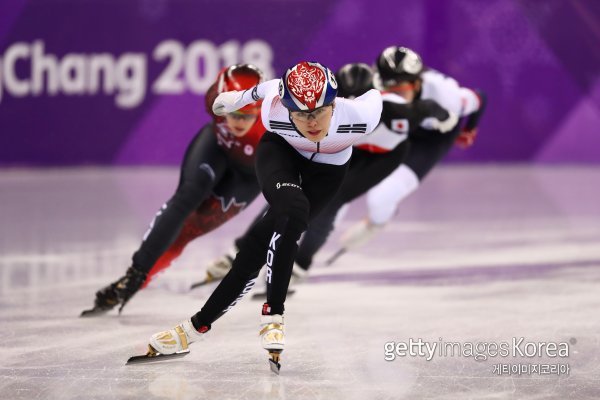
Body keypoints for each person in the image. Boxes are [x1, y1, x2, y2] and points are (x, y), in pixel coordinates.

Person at [141, 61, 382, 373]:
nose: (310, 122)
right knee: (293, 208)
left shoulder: (364, 115)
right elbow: (261, 90)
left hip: (329, 168)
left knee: (257, 245)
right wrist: (237, 99)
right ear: (286, 108)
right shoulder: (273, 109)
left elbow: (395, 104)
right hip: (280, 152)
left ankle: (192, 329)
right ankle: (274, 316)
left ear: (334, 103)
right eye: (300, 113)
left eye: (318, 112)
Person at [198, 58, 461, 290]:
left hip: (384, 156)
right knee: (287, 192)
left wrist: (446, 118)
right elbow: (274, 89)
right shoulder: (324, 102)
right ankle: (241, 249)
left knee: (332, 201)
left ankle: (300, 263)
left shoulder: (388, 107)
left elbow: (426, 107)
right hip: (348, 146)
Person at [81, 64, 266, 316]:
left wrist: (248, 244)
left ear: (259, 110)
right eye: (231, 114)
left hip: (248, 176)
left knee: (187, 232)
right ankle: (134, 276)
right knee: (185, 198)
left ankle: (141, 279)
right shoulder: (213, 98)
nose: (238, 122)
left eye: (247, 116)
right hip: (216, 148)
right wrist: (140, 268)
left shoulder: (273, 125)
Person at [336, 46, 486, 260]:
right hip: (404, 130)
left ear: (417, 84)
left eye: (398, 90)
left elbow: (480, 98)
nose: (392, 96)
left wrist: (469, 129)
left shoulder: (446, 95)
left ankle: (375, 223)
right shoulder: (375, 85)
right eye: (386, 87)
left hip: (432, 139)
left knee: (381, 197)